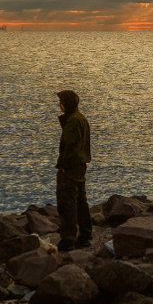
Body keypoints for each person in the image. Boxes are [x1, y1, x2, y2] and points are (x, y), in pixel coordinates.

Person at [55, 89, 92, 249]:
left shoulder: (73, 122)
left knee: (67, 203)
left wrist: (63, 167)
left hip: (71, 167)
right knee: (81, 203)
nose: (59, 104)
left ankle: (68, 239)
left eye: (61, 101)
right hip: (80, 166)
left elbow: (70, 147)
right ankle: (85, 236)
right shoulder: (80, 118)